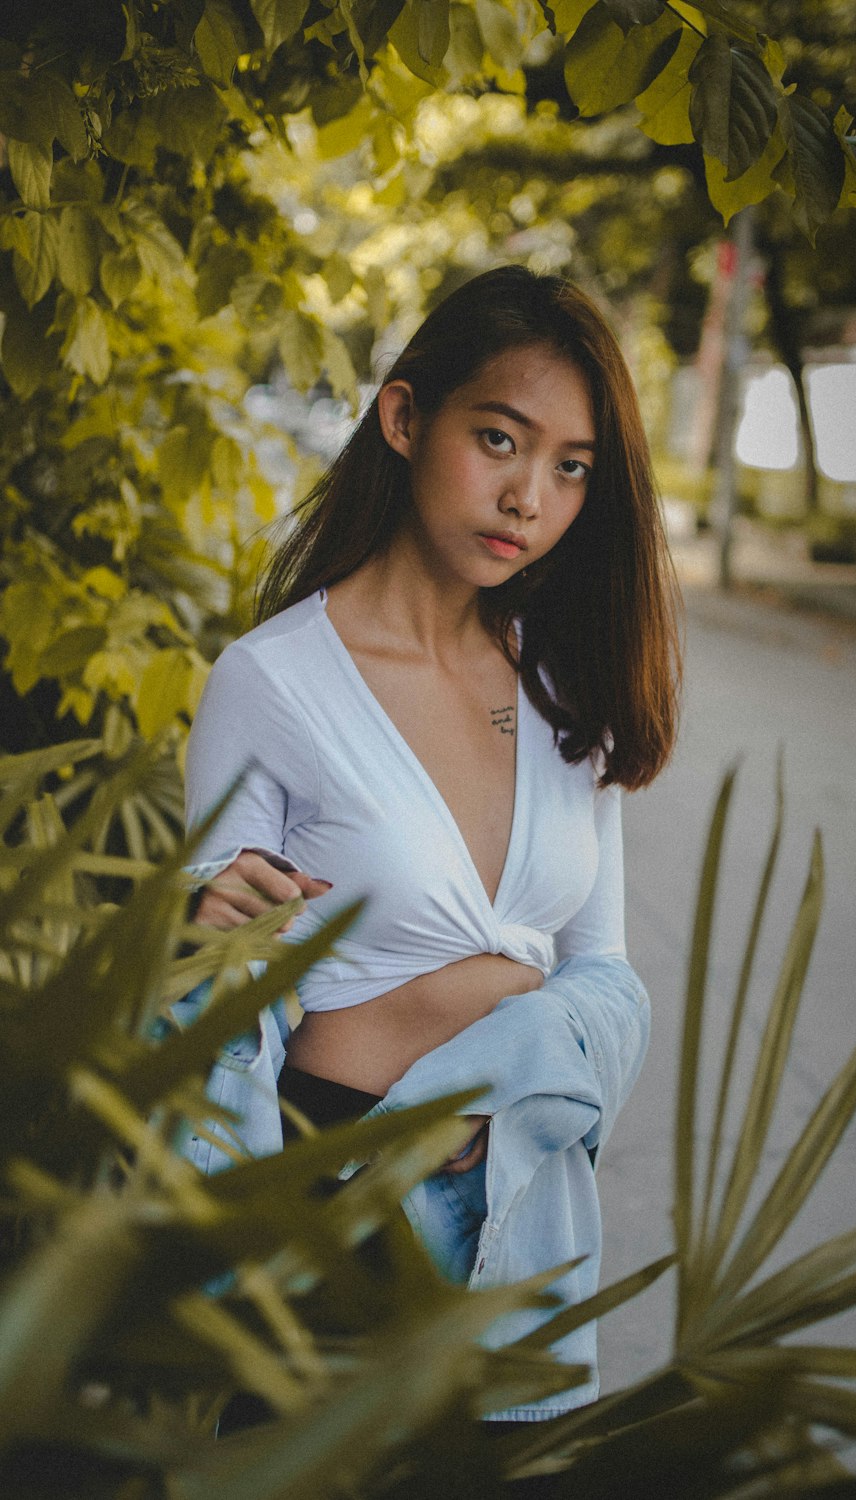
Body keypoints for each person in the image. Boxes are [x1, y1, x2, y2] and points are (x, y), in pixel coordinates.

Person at [182, 265, 682, 1426]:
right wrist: (202, 921)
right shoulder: (274, 681)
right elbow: (213, 1009)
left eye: (570, 469)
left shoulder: (567, 685)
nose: (529, 499)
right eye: (498, 439)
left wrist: (484, 1091)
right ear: (404, 419)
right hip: (333, 1184)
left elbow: (602, 974)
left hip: (520, 1182)